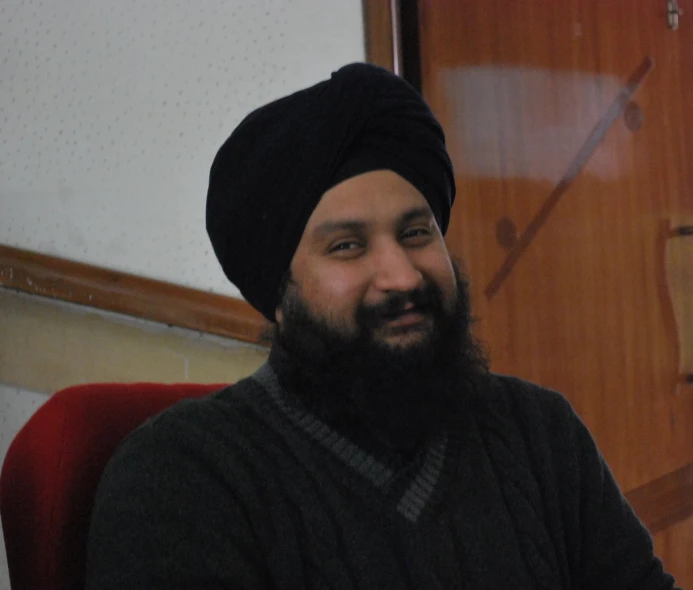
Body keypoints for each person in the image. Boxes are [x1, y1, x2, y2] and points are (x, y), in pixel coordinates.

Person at [86, 63, 679, 589]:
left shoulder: (540, 435)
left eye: (416, 233)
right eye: (347, 246)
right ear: (280, 297)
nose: (401, 275)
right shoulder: (186, 474)